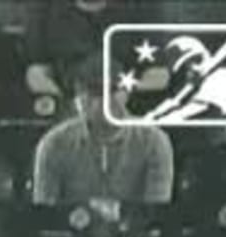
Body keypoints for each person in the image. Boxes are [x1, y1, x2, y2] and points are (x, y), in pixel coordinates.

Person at [32, 56, 172, 214]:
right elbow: (43, 212)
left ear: (126, 94)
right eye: (95, 93)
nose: (104, 101)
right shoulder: (53, 144)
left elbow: (158, 211)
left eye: (112, 91)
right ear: (79, 100)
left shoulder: (154, 142)